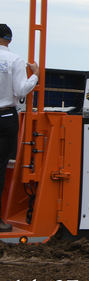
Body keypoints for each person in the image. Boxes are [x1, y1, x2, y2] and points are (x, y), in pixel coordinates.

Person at [0, 24, 39, 232]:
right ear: (10, 40)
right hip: (5, 115)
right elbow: (22, 89)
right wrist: (36, 75)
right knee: (0, 168)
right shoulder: (15, 59)